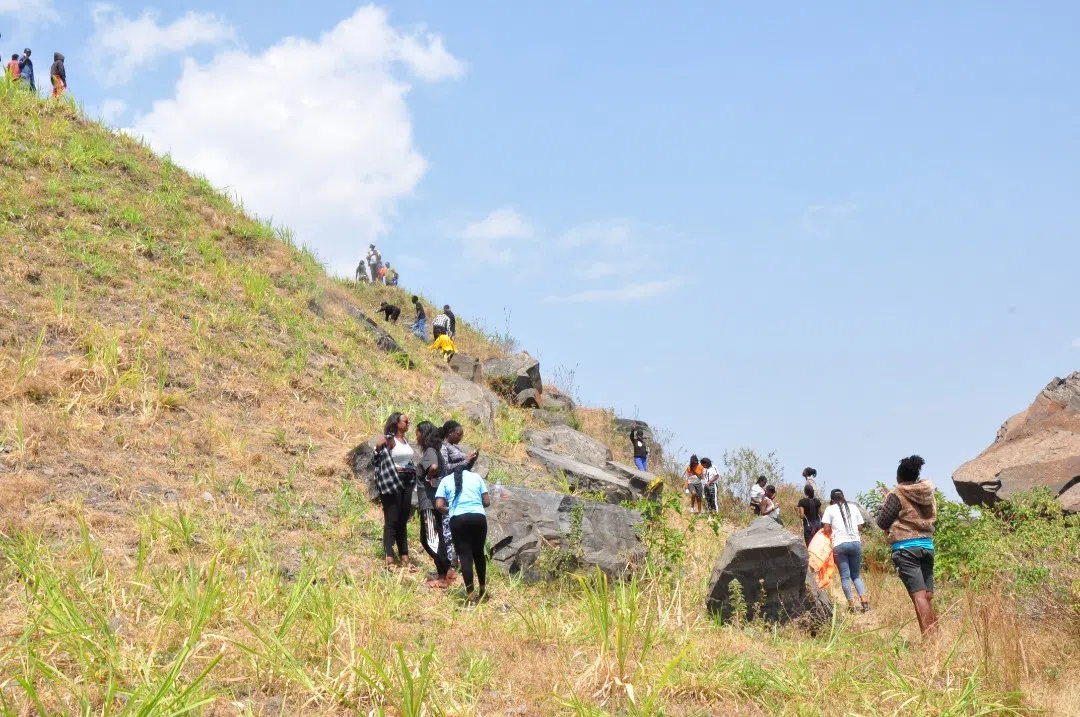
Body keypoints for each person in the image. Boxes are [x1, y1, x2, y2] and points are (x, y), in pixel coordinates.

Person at [876, 455, 937, 636]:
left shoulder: (897, 493)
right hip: (927, 545)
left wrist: (886, 501)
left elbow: (882, 521)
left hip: (905, 548)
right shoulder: (927, 493)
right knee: (927, 596)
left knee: (918, 597)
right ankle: (935, 639)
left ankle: (931, 642)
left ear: (899, 477)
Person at [435, 465, 490, 605]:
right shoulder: (476, 477)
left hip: (458, 520)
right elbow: (487, 502)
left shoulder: (446, 480)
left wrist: (452, 511)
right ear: (466, 470)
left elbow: (439, 505)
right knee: (479, 553)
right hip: (478, 517)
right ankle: (483, 588)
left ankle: (471, 595)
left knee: (465, 557)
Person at [371, 413, 416, 569]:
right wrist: (377, 447)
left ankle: (404, 555)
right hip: (392, 480)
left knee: (403, 518)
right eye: (405, 421)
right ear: (396, 423)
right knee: (392, 518)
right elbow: (376, 461)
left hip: (408, 480)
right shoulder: (389, 439)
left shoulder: (405, 441)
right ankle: (389, 556)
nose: (408, 423)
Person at [415, 421, 452, 588]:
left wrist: (429, 477)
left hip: (429, 502)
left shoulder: (430, 451)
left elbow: (434, 467)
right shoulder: (435, 450)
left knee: (430, 539)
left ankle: (444, 575)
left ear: (424, 434)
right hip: (432, 501)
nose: (416, 436)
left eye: (417, 433)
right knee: (432, 537)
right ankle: (445, 571)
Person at [821, 488, 869, 612]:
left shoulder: (830, 509)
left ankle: (851, 605)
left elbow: (826, 529)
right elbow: (860, 526)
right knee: (856, 576)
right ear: (843, 496)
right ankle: (864, 602)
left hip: (840, 545)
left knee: (845, 577)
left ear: (832, 499)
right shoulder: (853, 507)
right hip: (855, 543)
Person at [440, 420, 479, 569]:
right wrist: (464, 461)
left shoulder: (454, 447)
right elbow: (446, 468)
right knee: (448, 524)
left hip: (460, 487)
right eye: (459, 434)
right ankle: (450, 560)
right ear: (450, 433)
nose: (460, 437)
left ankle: (459, 559)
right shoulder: (443, 447)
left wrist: (470, 461)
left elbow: (463, 469)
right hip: (450, 488)